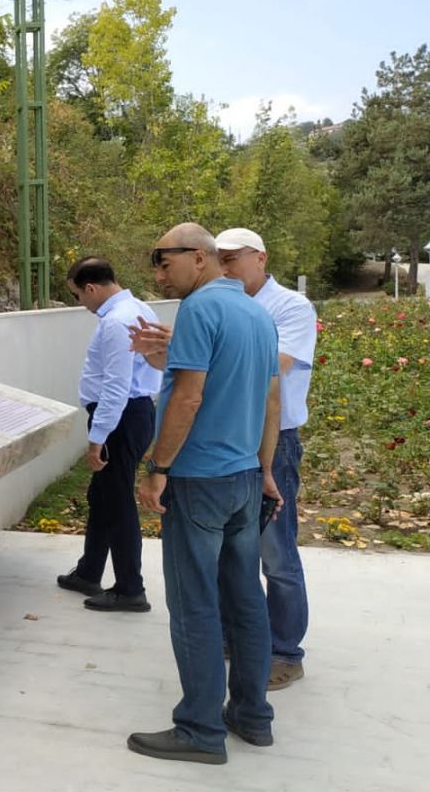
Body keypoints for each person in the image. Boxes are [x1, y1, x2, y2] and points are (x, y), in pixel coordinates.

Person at [127, 223, 281, 764]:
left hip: (200, 480)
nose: (159, 275)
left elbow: (188, 398)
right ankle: (252, 716)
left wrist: (158, 467)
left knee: (194, 604)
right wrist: (265, 470)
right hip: (243, 478)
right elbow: (270, 399)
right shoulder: (256, 313)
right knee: (245, 599)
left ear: (199, 256)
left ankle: (199, 729)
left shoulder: (198, 309)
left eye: (165, 262)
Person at [214, 228, 317, 690]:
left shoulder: (291, 307)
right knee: (231, 546)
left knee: (276, 553)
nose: (226, 267)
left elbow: (278, 364)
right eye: (219, 260)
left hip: (276, 440)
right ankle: (236, 636)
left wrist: (213, 359)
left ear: (261, 258)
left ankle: (285, 652)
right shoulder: (222, 304)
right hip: (229, 438)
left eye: (233, 258)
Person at [56, 258, 162, 613]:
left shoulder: (117, 321)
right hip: (132, 413)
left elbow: (117, 385)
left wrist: (98, 437)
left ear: (91, 288)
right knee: (101, 496)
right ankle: (89, 571)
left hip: (122, 417)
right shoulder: (138, 308)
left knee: (116, 501)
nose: (81, 304)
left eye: (78, 296)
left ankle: (130, 588)